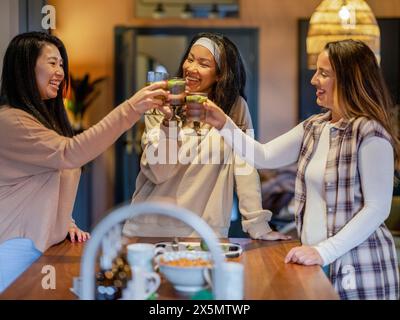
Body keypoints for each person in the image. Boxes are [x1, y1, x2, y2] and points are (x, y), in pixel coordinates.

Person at [194, 39, 400, 299]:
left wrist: (323, 251)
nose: (314, 80)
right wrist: (223, 123)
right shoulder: (315, 127)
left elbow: (377, 208)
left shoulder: (370, 133)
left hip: (360, 269)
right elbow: (264, 156)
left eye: (324, 73)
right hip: (317, 262)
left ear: (349, 79)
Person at [0, 32, 168, 293]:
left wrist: (64, 221)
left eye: (61, 65)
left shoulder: (41, 121)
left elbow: (45, 179)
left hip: (39, 247)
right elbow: (70, 153)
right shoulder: (11, 121)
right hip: (13, 250)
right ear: (24, 67)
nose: (60, 72)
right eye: (52, 63)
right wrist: (131, 109)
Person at [123, 32, 290, 241]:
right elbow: (158, 172)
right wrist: (170, 122)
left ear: (220, 74)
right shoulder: (162, 102)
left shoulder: (235, 108)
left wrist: (258, 226)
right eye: (190, 59)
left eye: (203, 63)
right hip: (151, 228)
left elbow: (245, 166)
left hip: (206, 231)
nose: (191, 68)